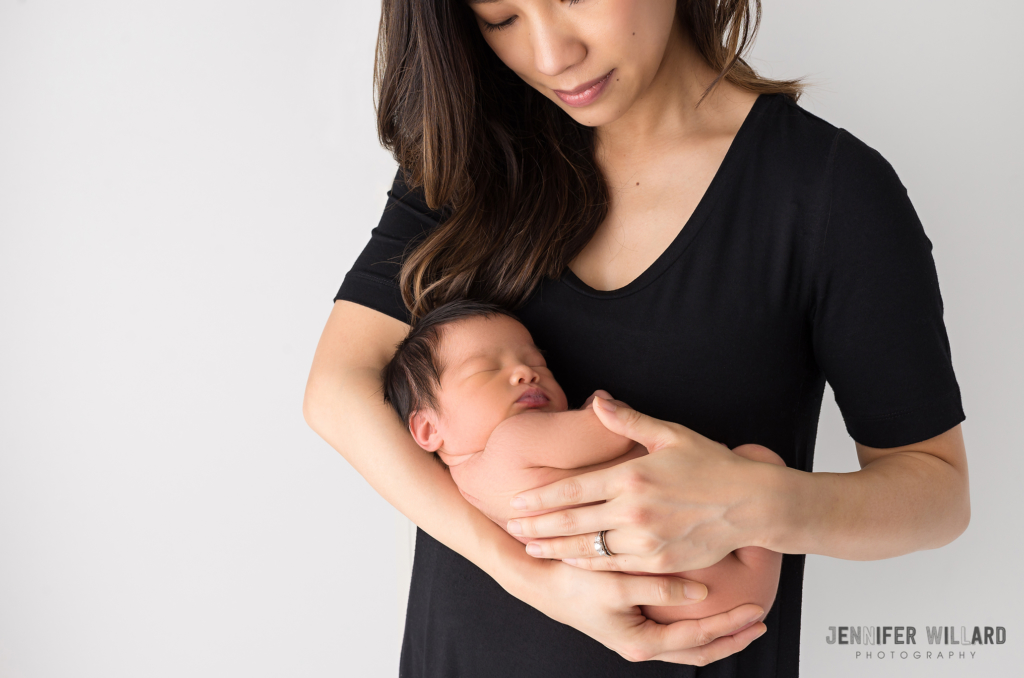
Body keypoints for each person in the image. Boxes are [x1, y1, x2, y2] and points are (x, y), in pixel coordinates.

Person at [303, 0, 970, 675]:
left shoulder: (830, 192)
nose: (551, 56)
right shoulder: (474, 153)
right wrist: (533, 578)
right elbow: (337, 390)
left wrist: (757, 501)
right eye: (501, 18)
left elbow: (937, 497)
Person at [379, 298, 786, 627]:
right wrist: (599, 407)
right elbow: (614, 428)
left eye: (538, 363)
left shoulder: (466, 488)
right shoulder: (511, 440)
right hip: (714, 568)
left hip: (677, 604)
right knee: (758, 460)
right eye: (488, 369)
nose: (525, 372)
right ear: (428, 429)